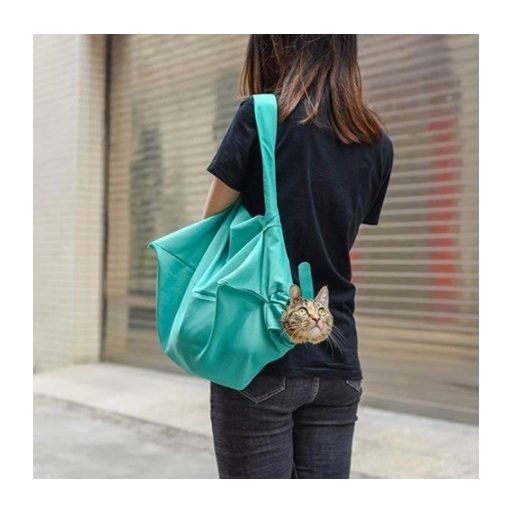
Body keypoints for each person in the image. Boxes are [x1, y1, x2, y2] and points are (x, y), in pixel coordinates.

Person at [201, 35, 394, 479]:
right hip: (338, 362)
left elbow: (211, 226)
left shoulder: (260, 116)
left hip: (258, 355)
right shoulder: (377, 142)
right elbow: (335, 234)